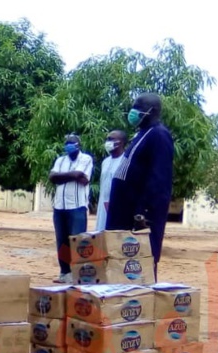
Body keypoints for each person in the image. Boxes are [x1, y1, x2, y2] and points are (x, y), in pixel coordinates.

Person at [107, 93, 175, 281]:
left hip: (138, 216)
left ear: (151, 111)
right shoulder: (143, 134)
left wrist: (144, 212)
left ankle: (142, 304)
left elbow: (159, 179)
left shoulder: (159, 135)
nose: (133, 112)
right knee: (122, 263)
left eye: (137, 107)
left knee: (140, 264)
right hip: (123, 213)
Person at [49, 134, 93, 283]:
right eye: (67, 142)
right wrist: (73, 175)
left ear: (78, 145)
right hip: (59, 206)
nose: (69, 145)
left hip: (77, 206)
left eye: (72, 143)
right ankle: (65, 273)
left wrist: (61, 177)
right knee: (62, 241)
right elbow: (52, 178)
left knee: (77, 241)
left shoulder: (86, 159)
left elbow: (82, 178)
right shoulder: (60, 160)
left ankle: (78, 274)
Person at [94, 130, 127, 232]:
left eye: (111, 139)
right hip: (102, 206)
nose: (107, 142)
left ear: (121, 142)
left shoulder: (126, 161)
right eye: (107, 139)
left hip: (117, 207)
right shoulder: (105, 162)